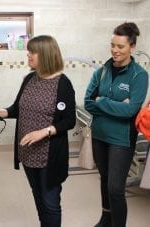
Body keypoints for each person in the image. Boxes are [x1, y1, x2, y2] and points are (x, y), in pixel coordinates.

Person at [0, 35, 76, 227]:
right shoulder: (29, 78)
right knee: (38, 198)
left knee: (50, 202)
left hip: (49, 156)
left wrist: (44, 132)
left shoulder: (63, 84)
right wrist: (2, 112)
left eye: (32, 52)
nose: (28, 55)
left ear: (45, 54)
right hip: (28, 153)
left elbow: (69, 120)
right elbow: (17, 109)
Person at [84, 22, 148, 227]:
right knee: (104, 180)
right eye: (112, 45)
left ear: (132, 47)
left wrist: (102, 101)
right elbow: (87, 103)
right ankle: (106, 218)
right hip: (99, 135)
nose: (114, 50)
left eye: (120, 46)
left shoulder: (139, 75)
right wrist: (115, 106)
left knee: (115, 188)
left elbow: (131, 110)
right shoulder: (102, 71)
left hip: (121, 139)